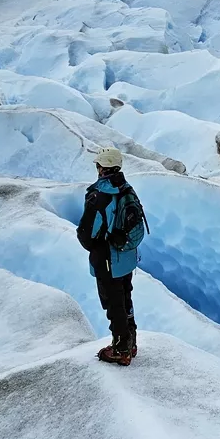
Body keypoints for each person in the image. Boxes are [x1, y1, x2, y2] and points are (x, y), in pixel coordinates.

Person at [77, 147, 141, 365]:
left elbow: (87, 233)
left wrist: (94, 246)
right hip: (127, 257)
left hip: (108, 260)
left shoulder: (101, 195)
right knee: (125, 298)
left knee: (114, 304)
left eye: (98, 165)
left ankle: (121, 349)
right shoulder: (127, 189)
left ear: (102, 167)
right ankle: (130, 343)